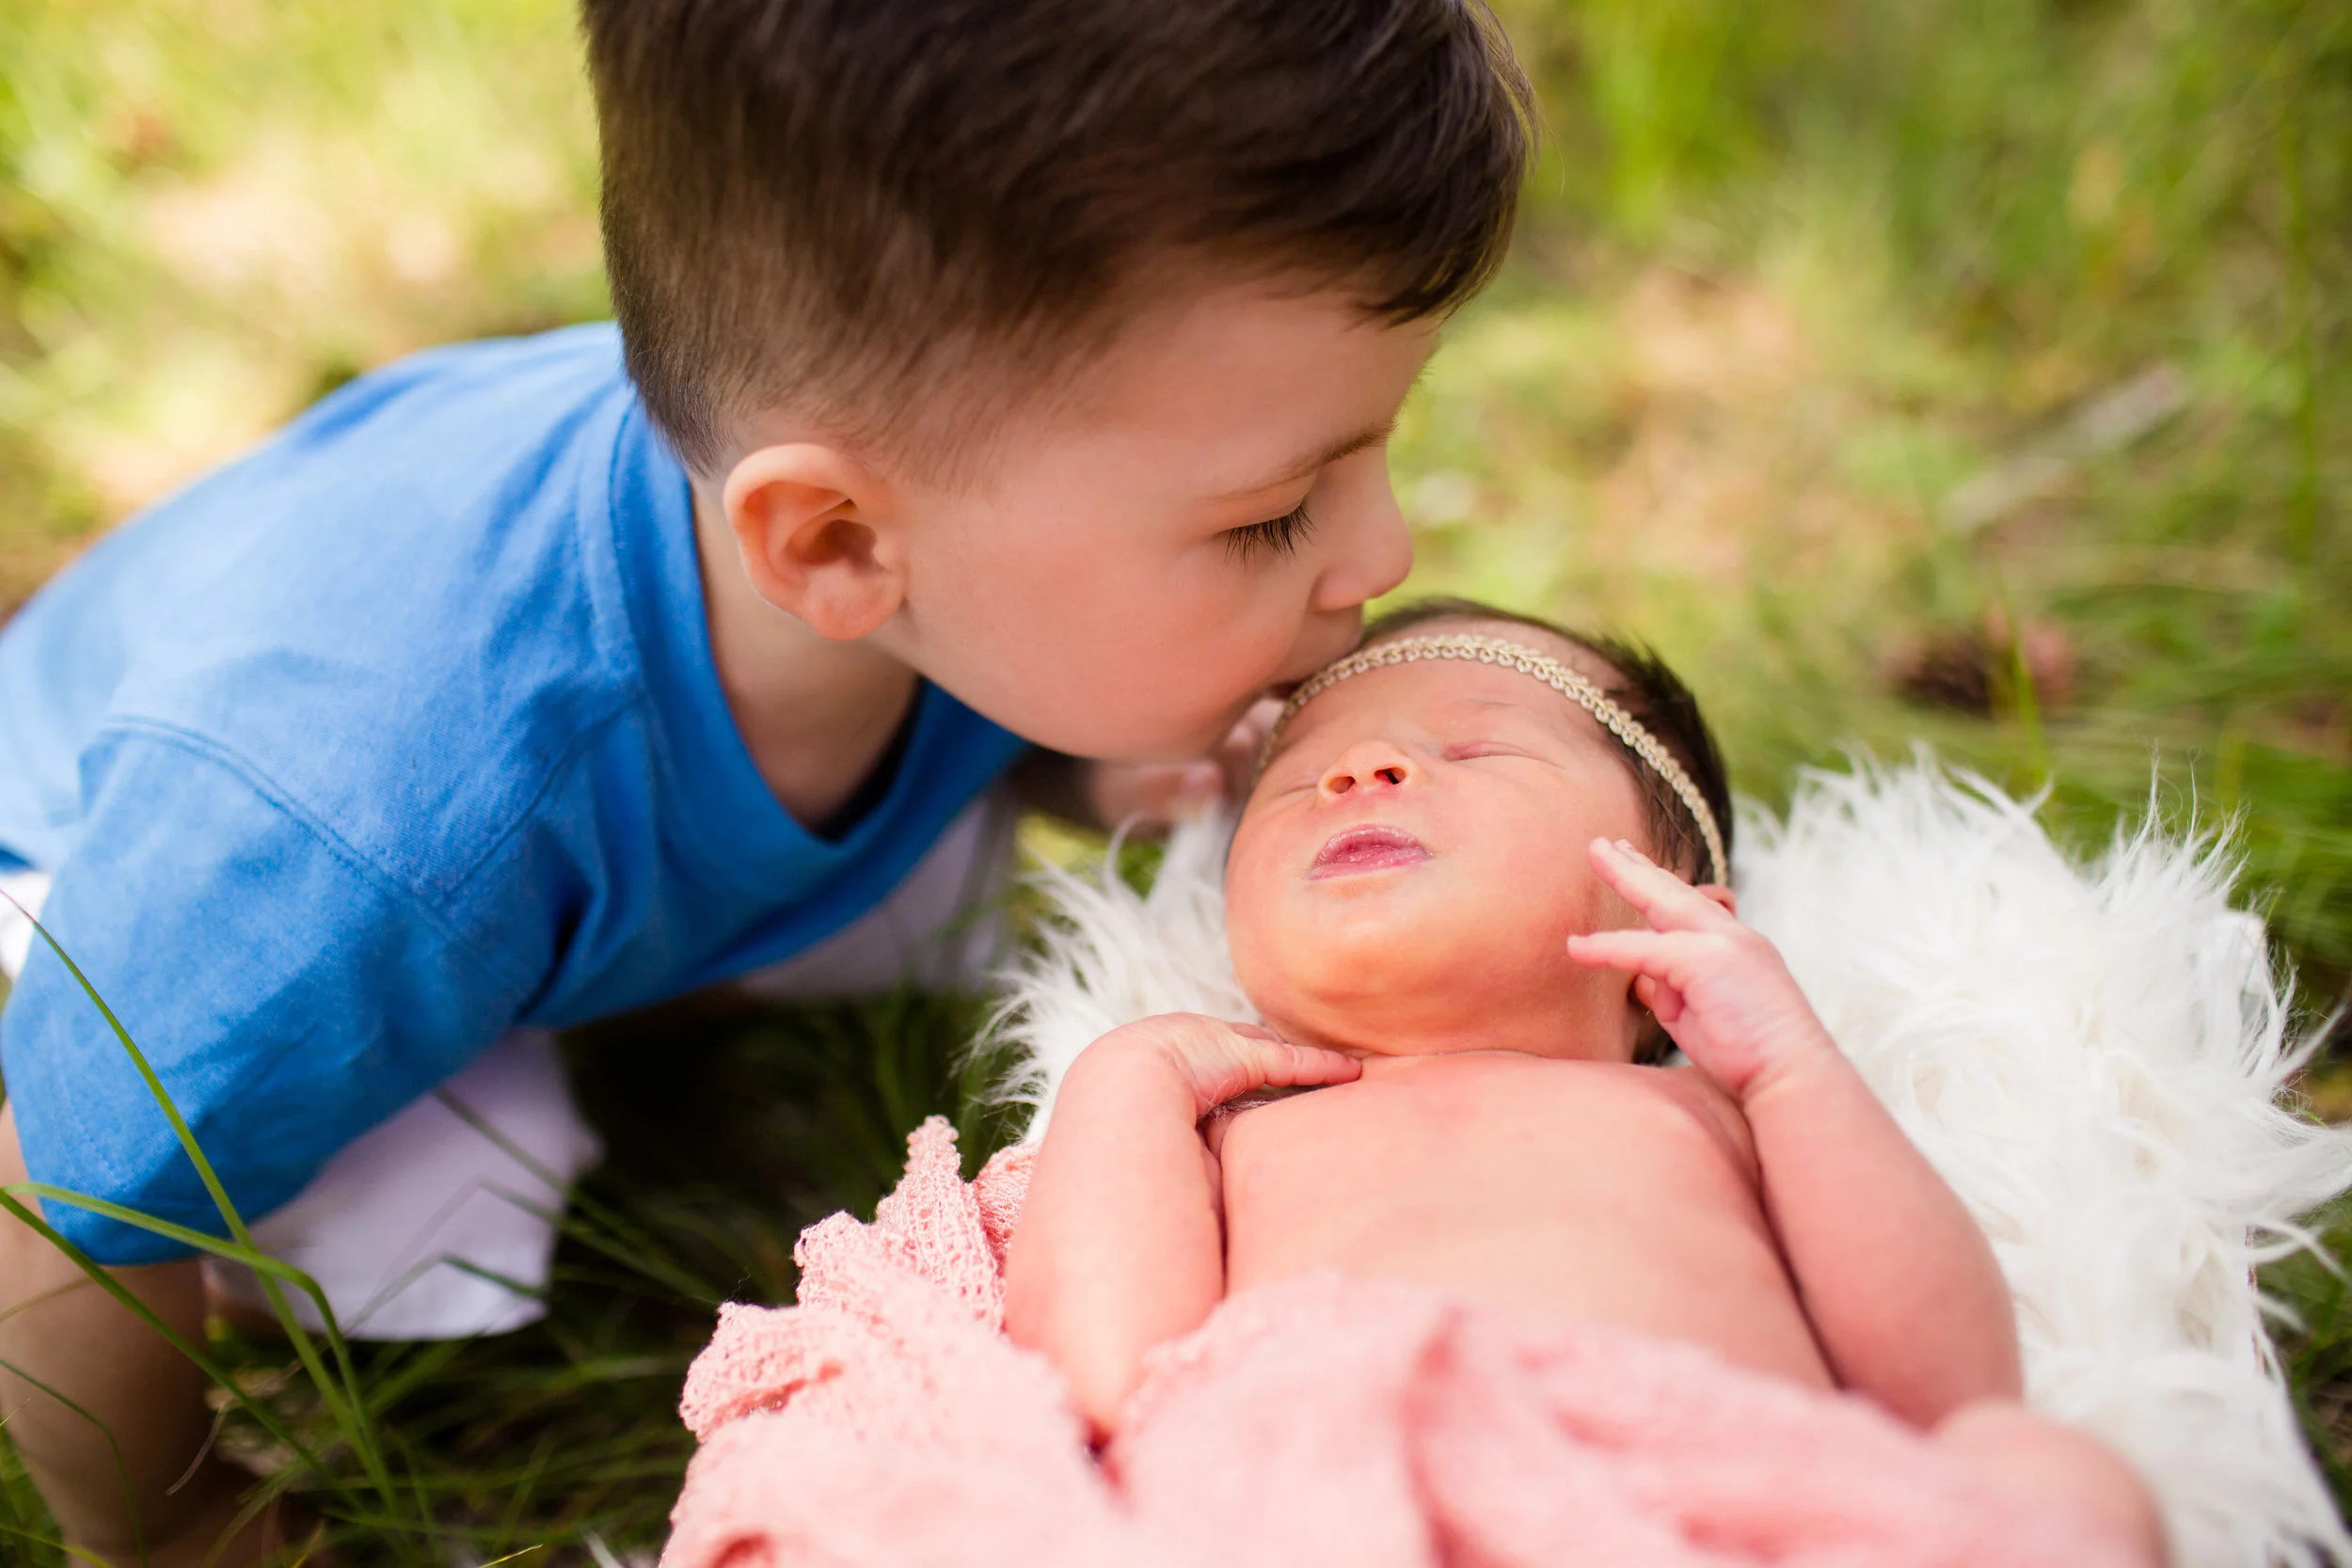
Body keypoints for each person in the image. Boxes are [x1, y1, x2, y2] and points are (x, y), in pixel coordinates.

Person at [0, 3, 1534, 1561]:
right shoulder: (362, 820)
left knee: (947, 889)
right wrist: (171, 1525)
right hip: (94, 883)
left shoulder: (904, 513)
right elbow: (66, 1191)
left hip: (571, 796)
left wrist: (1103, 760)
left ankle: (646, 981)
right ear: (837, 545)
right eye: (1272, 513)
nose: (1386, 549)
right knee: (420, 1212)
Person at [1005, 600, 2168, 1565]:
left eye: (1476, 749)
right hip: (1337, 1498)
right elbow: (1106, 1390)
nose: (1357, 772)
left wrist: (1791, 1067)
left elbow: (1944, 1386)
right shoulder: (1232, 1132)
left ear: (1669, 914)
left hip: (1697, 1498)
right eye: (1297, 777)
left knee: (2054, 1477)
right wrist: (1127, 1079)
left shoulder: (1715, 1112)